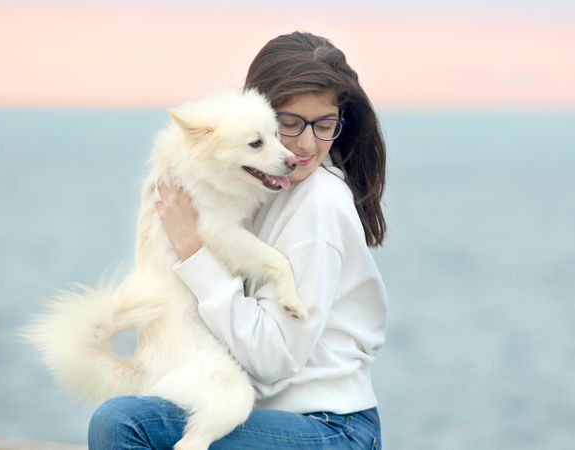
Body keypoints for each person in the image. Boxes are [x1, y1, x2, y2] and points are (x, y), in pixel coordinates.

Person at [88, 31, 388, 449]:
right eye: (288, 123)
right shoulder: (262, 180)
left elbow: (272, 358)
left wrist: (193, 248)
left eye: (324, 125)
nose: (304, 145)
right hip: (271, 417)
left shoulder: (318, 204)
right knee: (127, 414)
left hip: (330, 428)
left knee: (126, 423)